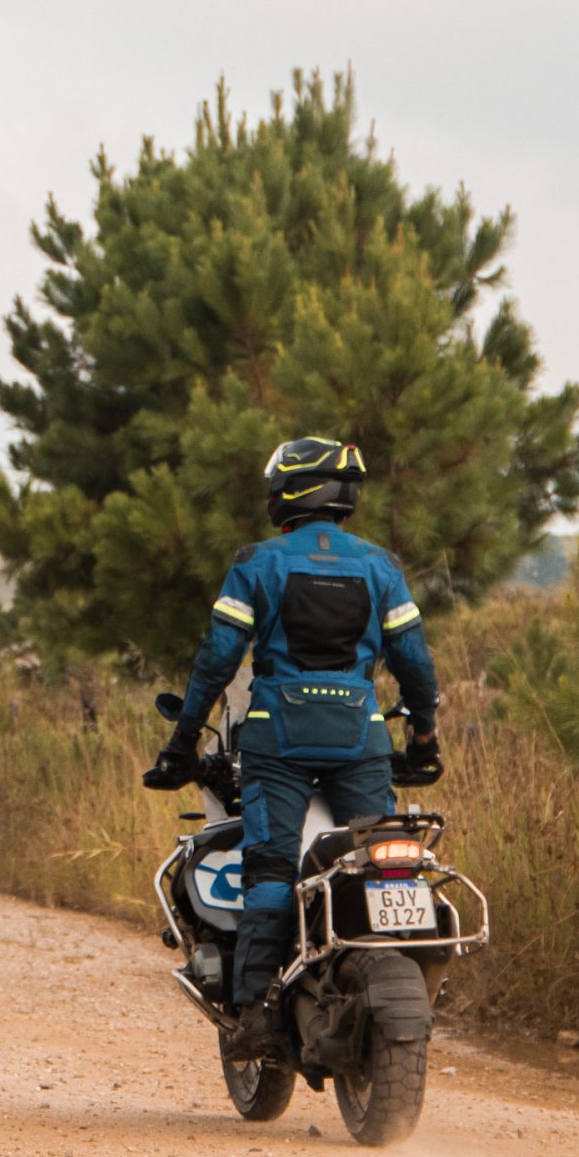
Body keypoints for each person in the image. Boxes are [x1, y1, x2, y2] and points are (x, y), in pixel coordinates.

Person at [143, 437, 442, 1059]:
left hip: (277, 738)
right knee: (371, 863)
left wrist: (182, 740)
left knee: (272, 869)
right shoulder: (381, 566)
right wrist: (423, 737)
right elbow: (415, 663)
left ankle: (255, 1013)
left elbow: (217, 660)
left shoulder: (259, 562)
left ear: (290, 492)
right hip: (361, 737)